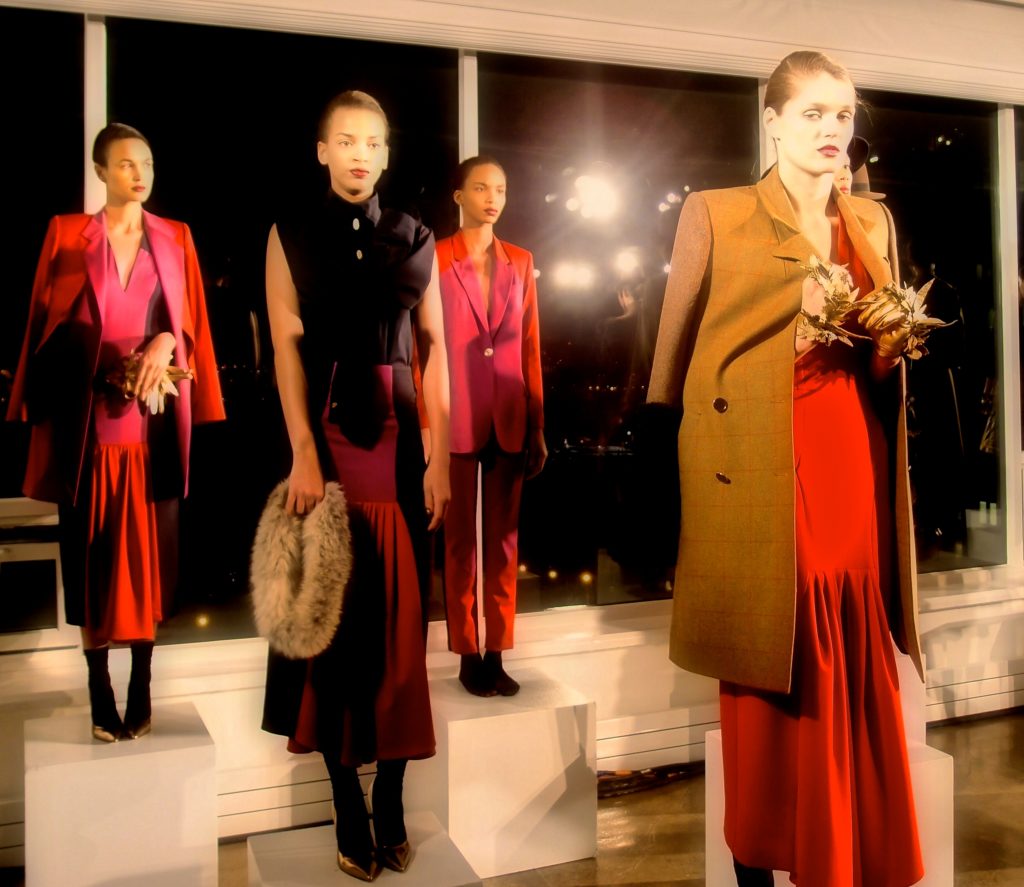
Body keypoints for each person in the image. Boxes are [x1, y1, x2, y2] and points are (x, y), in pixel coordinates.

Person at [647, 51, 924, 887]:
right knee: (772, 648)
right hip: (757, 462)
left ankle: (845, 853)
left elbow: (878, 362)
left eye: (842, 113)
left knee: (849, 637)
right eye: (812, 113)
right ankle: (762, 862)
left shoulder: (872, 219)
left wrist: (890, 343)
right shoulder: (718, 211)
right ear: (771, 122)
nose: (831, 129)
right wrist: (795, 332)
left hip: (851, 451)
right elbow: (678, 369)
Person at [259, 90, 450, 882]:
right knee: (331, 632)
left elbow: (433, 346)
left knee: (401, 636)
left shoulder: (416, 234)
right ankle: (346, 802)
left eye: (372, 141)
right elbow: (286, 346)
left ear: (385, 153)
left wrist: (440, 456)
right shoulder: (289, 234)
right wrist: (303, 450)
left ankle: (393, 798)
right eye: (346, 140)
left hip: (402, 451)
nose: (360, 153)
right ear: (322, 150)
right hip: (328, 445)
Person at [6, 123, 225, 742]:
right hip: (89, 427)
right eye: (125, 163)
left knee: (148, 558)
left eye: (146, 162)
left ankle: (142, 683)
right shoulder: (67, 233)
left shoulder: (175, 236)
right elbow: (43, 324)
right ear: (101, 171)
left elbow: (191, 322)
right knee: (91, 559)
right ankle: (99, 687)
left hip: (150, 424)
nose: (139, 173)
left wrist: (165, 339)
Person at [436, 156, 546, 697]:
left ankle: (497, 651)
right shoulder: (435, 258)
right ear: (458, 195)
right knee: (460, 543)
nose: (492, 198)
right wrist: (428, 428)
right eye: (480, 188)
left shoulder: (520, 261)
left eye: (500, 189)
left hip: (509, 416)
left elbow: (530, 345)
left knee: (503, 543)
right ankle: (465, 652)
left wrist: (538, 424)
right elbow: (423, 348)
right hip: (454, 418)